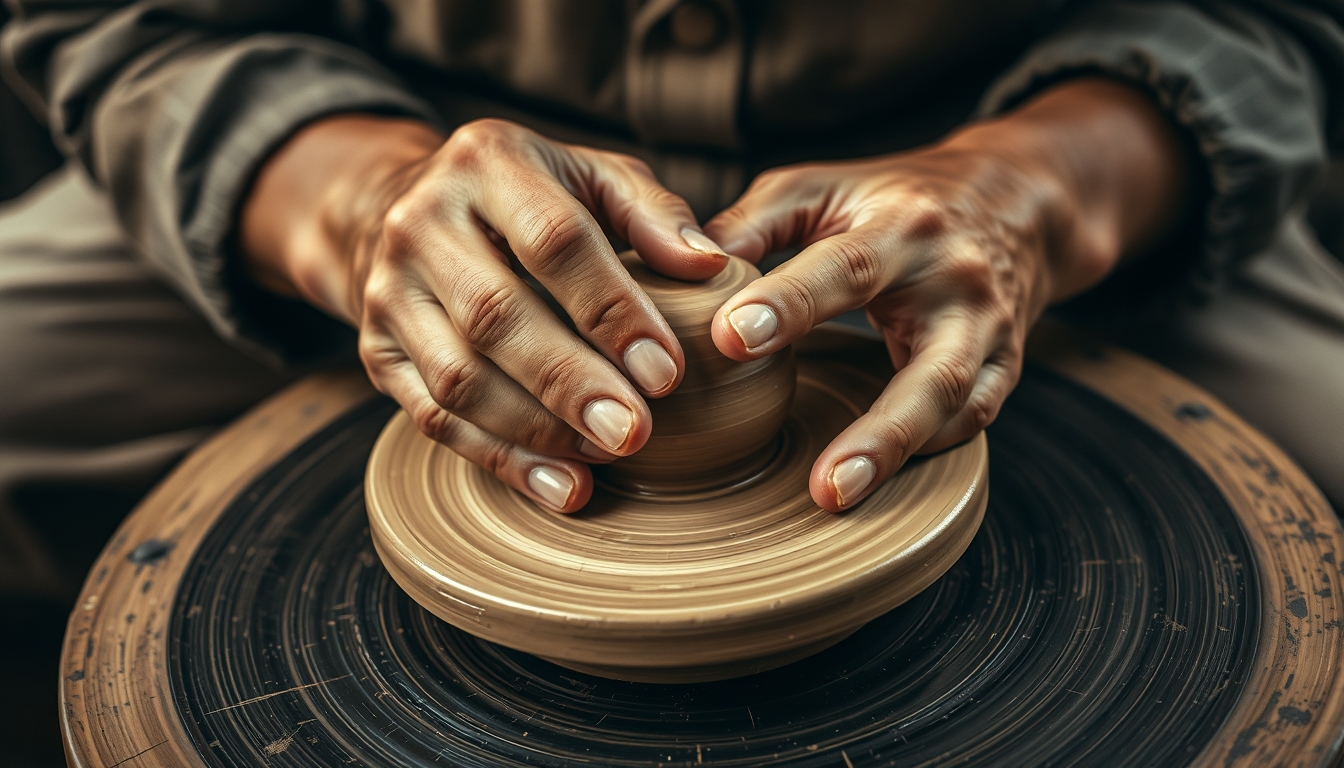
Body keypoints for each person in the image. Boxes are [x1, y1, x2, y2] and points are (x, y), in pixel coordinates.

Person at [2, 1, 1342, 594]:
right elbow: (118, 23)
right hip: (394, 138)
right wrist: (361, 205)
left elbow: (1280, 21)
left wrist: (1034, 194)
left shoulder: (1021, 180)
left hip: (996, 152)